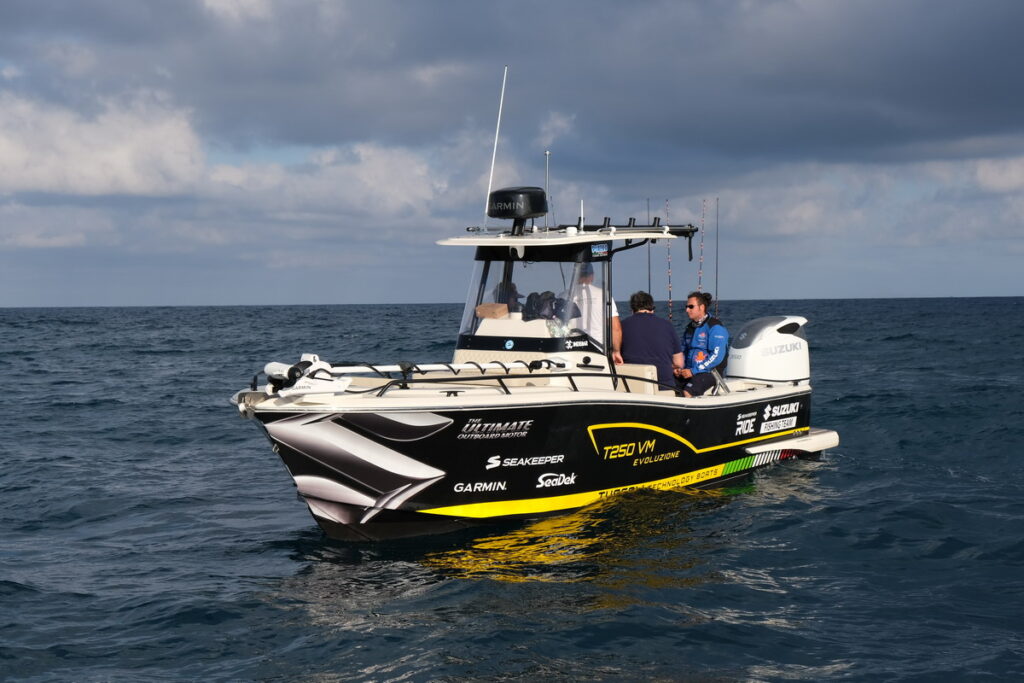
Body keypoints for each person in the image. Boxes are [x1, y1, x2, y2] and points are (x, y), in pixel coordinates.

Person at [617, 291, 684, 390]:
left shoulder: (621, 326)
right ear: (652, 308)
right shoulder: (667, 325)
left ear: (632, 310)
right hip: (664, 385)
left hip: (630, 385)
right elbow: (679, 363)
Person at [564, 262, 621, 359]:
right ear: (592, 276)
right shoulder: (603, 295)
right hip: (597, 350)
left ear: (575, 276)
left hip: (570, 349)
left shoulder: (563, 295)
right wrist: (616, 351)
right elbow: (615, 328)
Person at [677, 291, 729, 397]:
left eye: (691, 307)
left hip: (710, 373)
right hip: (689, 370)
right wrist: (678, 368)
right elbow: (683, 351)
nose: (687, 310)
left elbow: (716, 356)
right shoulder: (690, 328)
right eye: (686, 307)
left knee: (687, 392)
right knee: (665, 385)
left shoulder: (715, 327)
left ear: (701, 307)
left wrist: (693, 371)